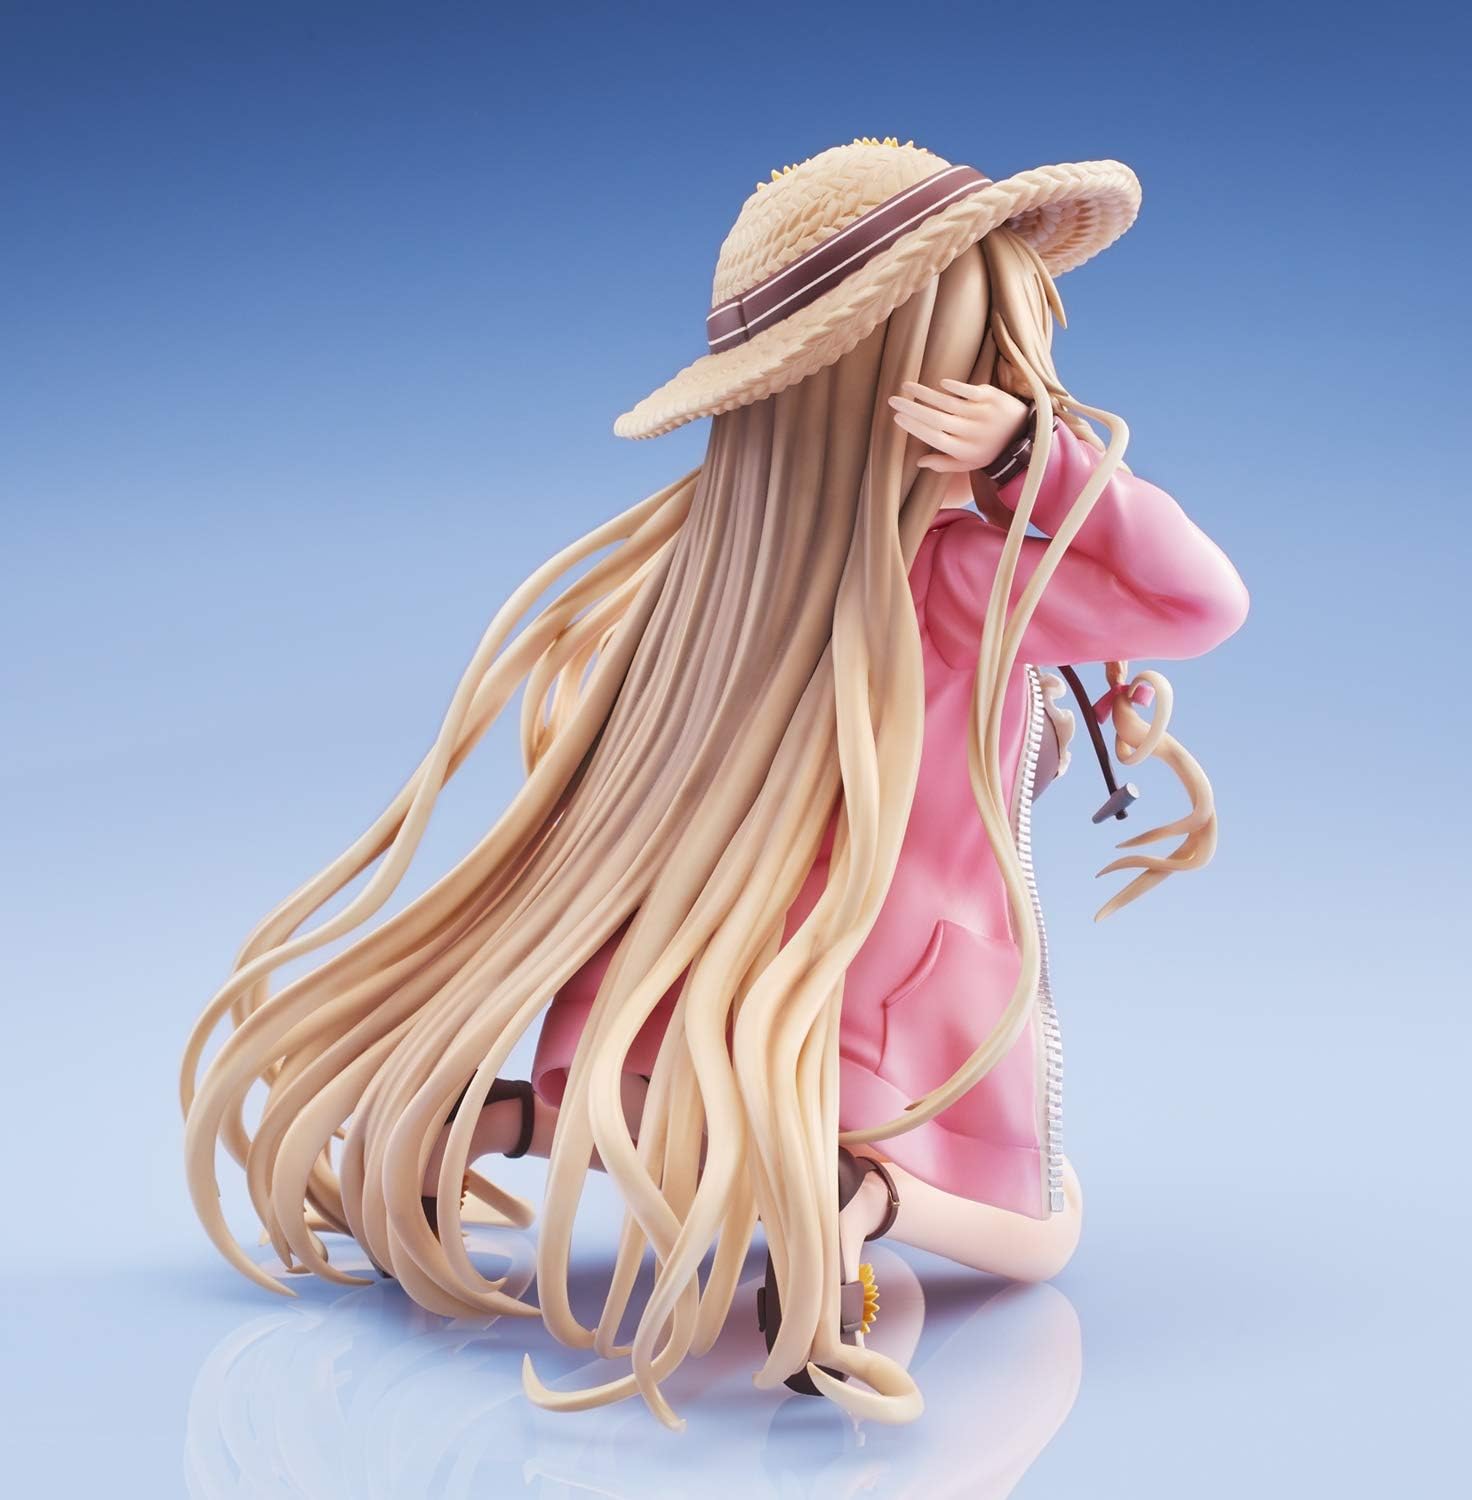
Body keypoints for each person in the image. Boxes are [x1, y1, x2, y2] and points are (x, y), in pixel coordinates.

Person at [182, 138, 1249, 1428]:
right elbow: (1199, 601)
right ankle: (854, 1204)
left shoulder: (697, 576)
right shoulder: (963, 578)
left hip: (678, 991)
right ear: (942, 386)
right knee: (1043, 1236)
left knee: (683, 1132)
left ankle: (489, 1123)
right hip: (874, 1010)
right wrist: (1038, 457)